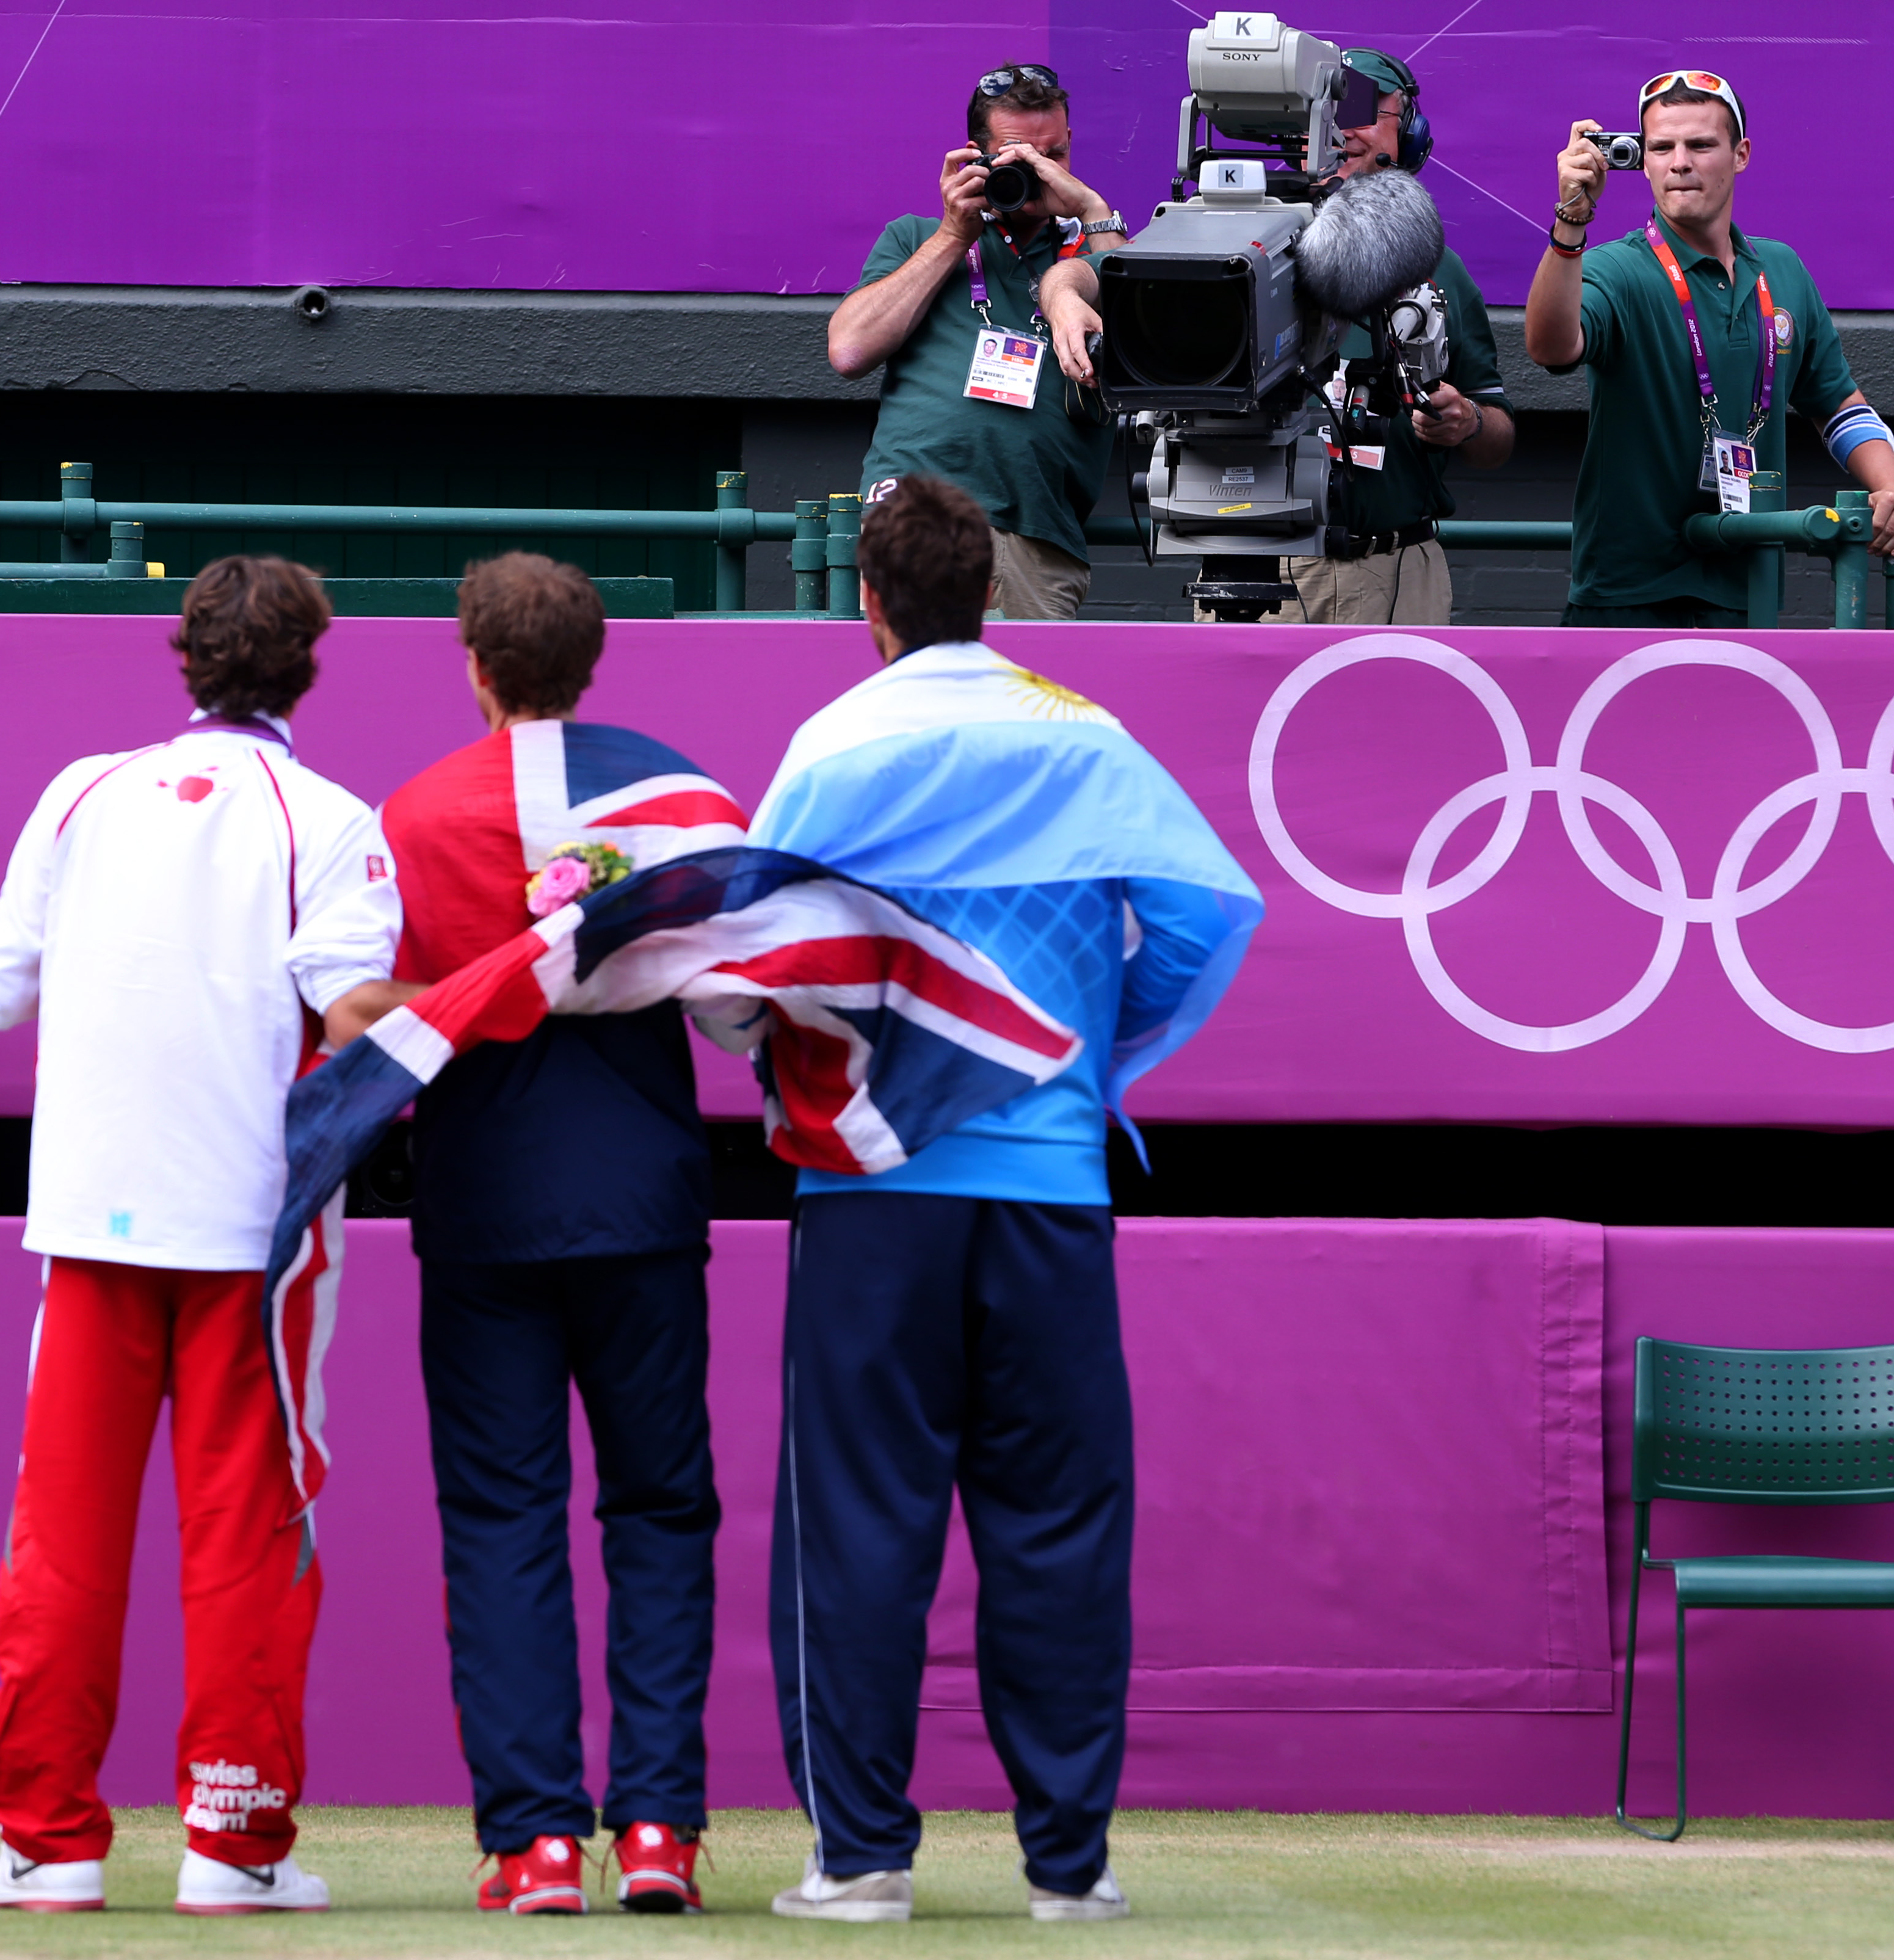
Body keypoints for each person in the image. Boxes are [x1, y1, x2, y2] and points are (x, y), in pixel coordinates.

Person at [746, 476, 1263, 1923]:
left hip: (874, 1197)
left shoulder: (832, 742)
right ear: (993, 593)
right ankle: (1068, 1869)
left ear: (867, 602)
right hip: (1050, 1195)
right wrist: (1089, 1051)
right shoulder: (1082, 735)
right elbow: (1201, 918)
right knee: (1059, 1524)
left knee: (857, 1520)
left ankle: (859, 1862)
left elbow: (764, 950)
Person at [288, 554, 744, 1917]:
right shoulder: (680, 801)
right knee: (661, 1511)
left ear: (473, 665)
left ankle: (533, 1845)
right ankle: (658, 1830)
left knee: (501, 1519)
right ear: (590, 660)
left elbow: (357, 1009)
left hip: (483, 1208)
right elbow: (737, 1000)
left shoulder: (409, 816)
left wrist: (475, 994)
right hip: (647, 1202)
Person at [0, 556, 378, 1916]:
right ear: (305, 669)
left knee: (64, 1536)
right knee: (248, 1536)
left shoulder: (77, 794)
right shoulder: (327, 818)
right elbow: (358, 1021)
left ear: (184, 659)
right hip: (249, 1227)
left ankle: (47, 1847)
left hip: (95, 1207)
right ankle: (233, 1847)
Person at [1046, 47, 1514, 626]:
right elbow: (1081, 275)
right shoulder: (1227, 241)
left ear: (1409, 134)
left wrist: (1466, 421)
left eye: (1364, 109)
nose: (1344, 131)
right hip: (1263, 566)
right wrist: (1065, 301)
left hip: (1396, 570)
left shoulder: (1438, 268)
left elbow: (1498, 435)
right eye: (1327, 112)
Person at [1523, 68, 1894, 626]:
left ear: (1740, 154)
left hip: (1747, 588)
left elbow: (1837, 403)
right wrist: (1571, 222)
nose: (1679, 162)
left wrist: (1893, 490)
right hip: (1626, 593)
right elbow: (1549, 347)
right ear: (1641, 160)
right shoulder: (1614, 269)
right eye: (1661, 147)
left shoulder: (1781, 268)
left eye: (1701, 145)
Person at [827, 62, 1130, 620]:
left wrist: (1091, 209)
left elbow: (1133, 322)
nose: (1039, 173)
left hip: (1032, 533)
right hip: (916, 518)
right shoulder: (916, 237)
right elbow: (849, 350)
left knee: (1016, 704)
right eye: (1020, 157)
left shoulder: (1091, 246)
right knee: (918, 700)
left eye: (1054, 156)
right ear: (977, 156)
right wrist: (952, 234)